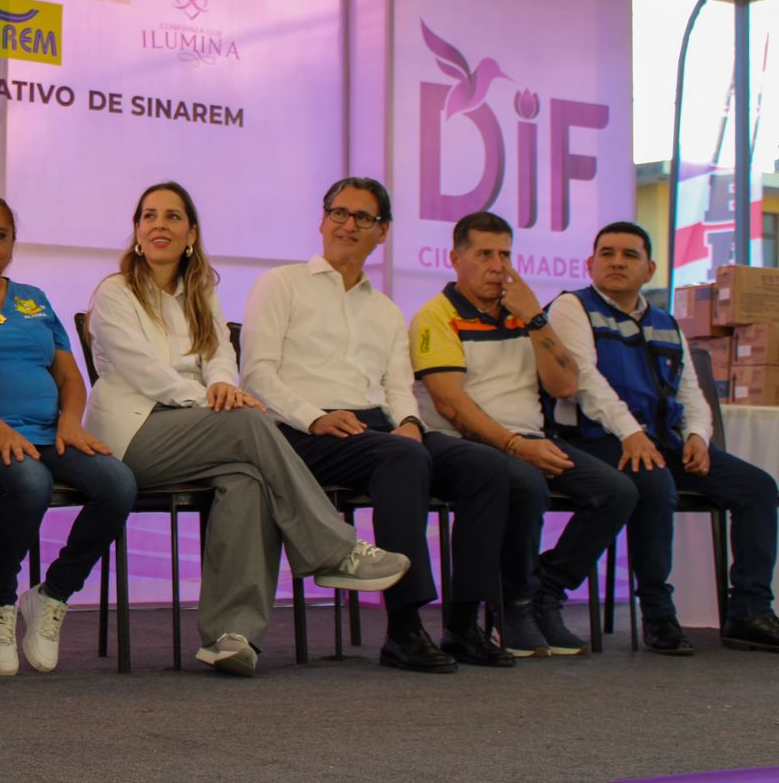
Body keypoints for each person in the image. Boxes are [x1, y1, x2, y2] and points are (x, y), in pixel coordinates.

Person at [84, 182, 408, 678]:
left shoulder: (201, 291)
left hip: (199, 429)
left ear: (191, 233)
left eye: (172, 216)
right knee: (249, 422)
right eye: (149, 216)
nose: (159, 225)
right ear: (137, 231)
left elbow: (220, 352)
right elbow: (143, 372)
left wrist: (221, 384)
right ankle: (335, 550)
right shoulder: (115, 292)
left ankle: (231, 636)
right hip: (133, 433)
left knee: (248, 479)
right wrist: (213, 398)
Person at [242, 176, 511, 673]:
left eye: (363, 217)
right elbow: (257, 375)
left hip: (377, 430)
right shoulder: (281, 284)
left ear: (382, 232)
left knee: (486, 467)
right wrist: (315, 417)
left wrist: (409, 421)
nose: (348, 225)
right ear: (322, 221)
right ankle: (405, 629)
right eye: (339, 213)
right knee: (402, 457)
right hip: (300, 431)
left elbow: (398, 385)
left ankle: (463, 624)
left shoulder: (385, 308)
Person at [0, 193, 137, 675]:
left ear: (13, 244)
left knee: (118, 482)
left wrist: (71, 422)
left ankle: (52, 594)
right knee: (30, 481)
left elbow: (69, 376)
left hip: (45, 434)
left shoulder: (34, 299)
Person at [547, 221, 779, 655]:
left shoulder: (666, 322)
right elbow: (585, 382)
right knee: (654, 483)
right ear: (590, 263)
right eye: (607, 253)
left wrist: (697, 436)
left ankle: (749, 610)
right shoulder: (571, 307)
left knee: (758, 488)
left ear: (650, 269)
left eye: (629, 255)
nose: (617, 262)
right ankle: (657, 611)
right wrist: (632, 434)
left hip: (661, 441)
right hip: (595, 438)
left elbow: (690, 393)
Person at [410, 212, 635, 656]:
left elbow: (565, 385)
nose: (498, 267)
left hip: (529, 437)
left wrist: (535, 318)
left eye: (505, 255)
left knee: (617, 492)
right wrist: (515, 445)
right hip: (464, 443)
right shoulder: (435, 316)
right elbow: (451, 405)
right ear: (456, 259)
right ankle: (513, 608)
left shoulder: (525, 314)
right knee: (526, 484)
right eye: (484, 255)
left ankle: (544, 591)